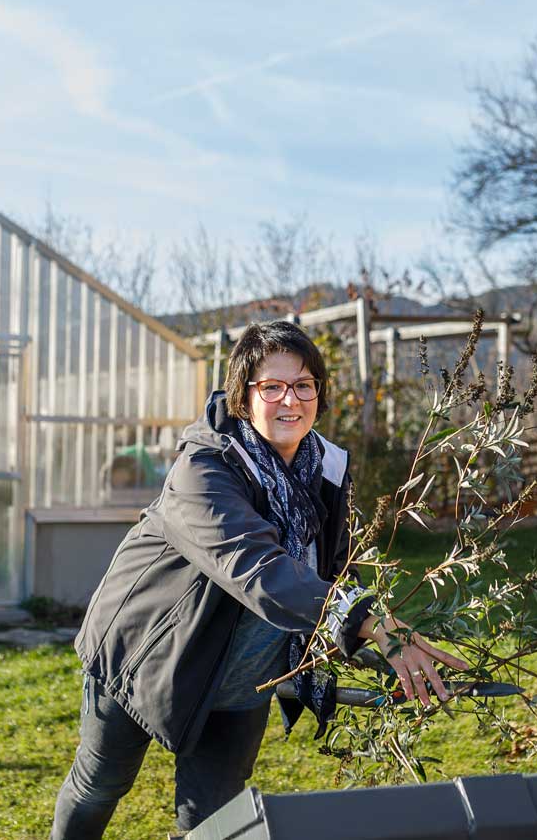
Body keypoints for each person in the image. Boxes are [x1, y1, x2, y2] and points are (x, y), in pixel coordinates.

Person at [50, 321, 466, 839]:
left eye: (303, 385)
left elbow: (333, 570)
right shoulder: (203, 469)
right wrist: (365, 620)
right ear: (244, 397)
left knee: (213, 819)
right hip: (149, 653)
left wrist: (380, 648)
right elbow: (256, 566)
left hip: (247, 673)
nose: (289, 399)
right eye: (271, 386)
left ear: (318, 393)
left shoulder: (327, 467)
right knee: (100, 785)